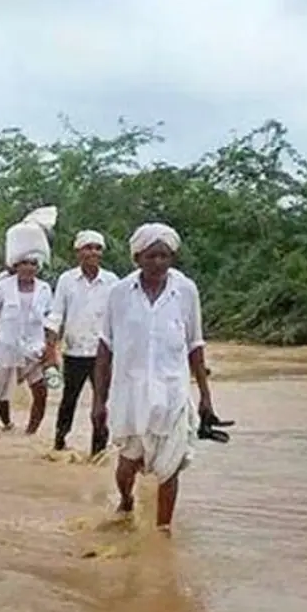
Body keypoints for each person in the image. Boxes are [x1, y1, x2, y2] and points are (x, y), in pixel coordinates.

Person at [93, 223, 214, 533]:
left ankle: (163, 531)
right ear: (137, 258)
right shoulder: (119, 293)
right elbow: (105, 346)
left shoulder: (185, 291)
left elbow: (195, 344)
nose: (159, 262)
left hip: (172, 393)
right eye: (151, 256)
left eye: (165, 256)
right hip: (130, 393)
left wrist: (205, 396)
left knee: (170, 468)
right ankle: (126, 499)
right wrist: (99, 401)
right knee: (127, 464)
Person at [0, 223, 54, 433]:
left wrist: (52, 349)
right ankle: (7, 424)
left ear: (38, 266)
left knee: (41, 391)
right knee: (1, 393)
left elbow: (52, 321)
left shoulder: (45, 289)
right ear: (16, 265)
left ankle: (31, 431)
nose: (29, 267)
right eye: (24, 263)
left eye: (33, 263)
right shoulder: (4, 286)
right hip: (8, 347)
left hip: (35, 349)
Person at [46, 229, 119, 454]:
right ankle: (59, 442)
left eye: (97, 248)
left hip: (103, 354)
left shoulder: (112, 281)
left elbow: (120, 318)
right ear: (78, 252)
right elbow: (56, 316)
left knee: (102, 403)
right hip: (75, 352)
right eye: (88, 248)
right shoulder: (67, 280)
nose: (93, 252)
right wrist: (51, 351)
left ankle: (98, 449)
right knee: (69, 400)